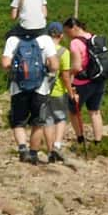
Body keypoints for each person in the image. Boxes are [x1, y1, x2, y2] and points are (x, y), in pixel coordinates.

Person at [1, 31, 59, 165]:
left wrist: (18, 69)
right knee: (37, 122)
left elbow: (5, 63)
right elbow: (55, 65)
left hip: (18, 88)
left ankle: (22, 149)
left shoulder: (13, 39)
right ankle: (33, 154)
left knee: (18, 122)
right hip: (41, 87)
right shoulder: (46, 39)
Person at [63, 17, 106, 147]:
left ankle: (80, 138)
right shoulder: (93, 37)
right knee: (95, 111)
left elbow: (77, 67)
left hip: (83, 83)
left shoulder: (75, 43)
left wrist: (67, 73)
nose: (67, 35)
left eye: (67, 31)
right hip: (99, 79)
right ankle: (98, 141)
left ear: (74, 28)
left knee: (73, 111)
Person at [42, 22, 73, 162]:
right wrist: (70, 91)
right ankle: (57, 146)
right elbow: (65, 76)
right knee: (61, 118)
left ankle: (49, 153)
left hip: (42, 90)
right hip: (58, 90)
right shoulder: (63, 52)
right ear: (61, 35)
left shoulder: (41, 49)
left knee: (47, 121)